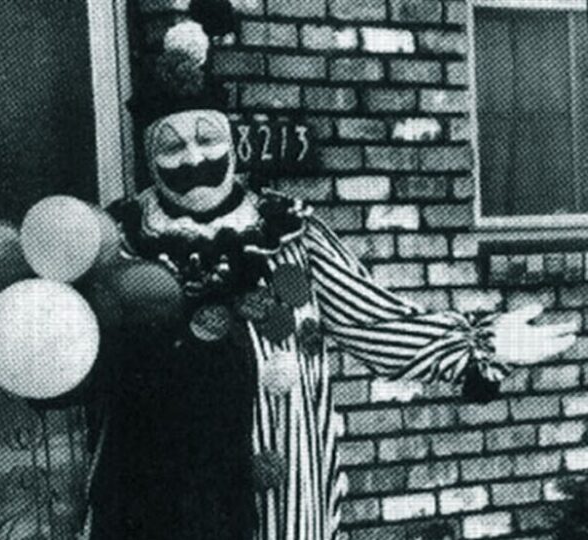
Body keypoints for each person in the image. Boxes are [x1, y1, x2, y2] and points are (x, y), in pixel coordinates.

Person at [77, 4, 577, 539]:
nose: (194, 158)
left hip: (281, 495)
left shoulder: (290, 231)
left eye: (208, 139)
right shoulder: (117, 241)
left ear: (232, 141)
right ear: (150, 156)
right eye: (173, 146)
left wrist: (478, 345)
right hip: (156, 494)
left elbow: (375, 322)